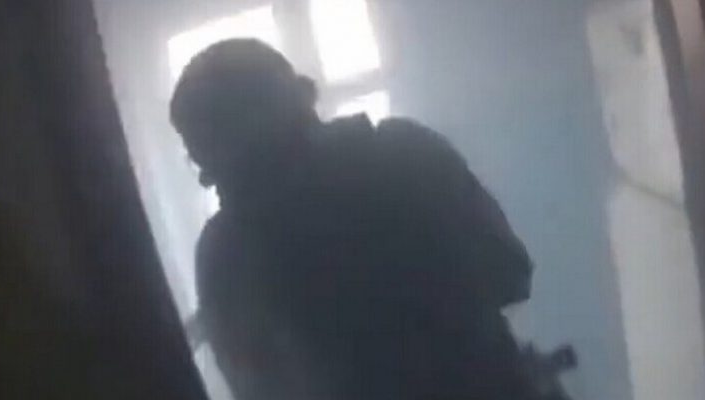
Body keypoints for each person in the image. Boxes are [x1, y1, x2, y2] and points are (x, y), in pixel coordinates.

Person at [171, 38, 562, 400]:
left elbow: (257, 388)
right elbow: (510, 272)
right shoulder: (403, 153)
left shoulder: (225, 253)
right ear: (302, 97)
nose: (208, 179)